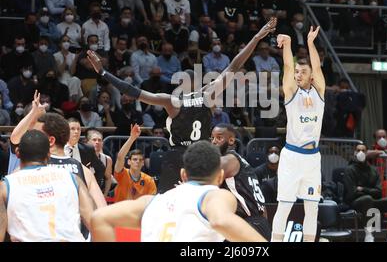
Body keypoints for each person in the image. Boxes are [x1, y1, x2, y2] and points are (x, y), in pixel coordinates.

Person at [86, 17, 277, 190]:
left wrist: (103, 72)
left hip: (178, 156)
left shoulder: (172, 101)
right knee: (207, 200)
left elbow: (133, 92)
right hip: (203, 153)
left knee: (169, 204)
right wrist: (257, 37)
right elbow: (234, 65)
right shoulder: (208, 94)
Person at [91, 141, 267, 242]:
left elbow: (99, 218)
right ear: (220, 177)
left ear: (183, 174)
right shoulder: (215, 196)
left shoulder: (151, 201)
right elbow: (221, 221)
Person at [271, 26, 325, 242]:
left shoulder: (319, 92)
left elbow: (318, 67)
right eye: (297, 72)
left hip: (313, 159)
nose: (298, 74)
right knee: (284, 206)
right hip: (292, 157)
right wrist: (288, 44)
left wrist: (311, 43)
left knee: (312, 208)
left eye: (303, 71)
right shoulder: (292, 94)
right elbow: (286, 65)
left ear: (312, 77)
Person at [0, 130, 95, 242]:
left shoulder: (6, 186)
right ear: (49, 155)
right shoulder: (73, 179)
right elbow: (95, 222)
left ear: (18, 153)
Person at [211, 124, 270, 240]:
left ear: (231, 140)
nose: (214, 141)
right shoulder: (240, 161)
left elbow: (205, 180)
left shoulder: (228, 160)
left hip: (249, 224)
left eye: (219, 138)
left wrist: (188, 186)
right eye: (212, 138)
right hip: (259, 222)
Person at [344, 144, 387, 242]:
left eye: (363, 150)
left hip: (374, 201)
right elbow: (351, 193)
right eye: (358, 150)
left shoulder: (374, 170)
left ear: (367, 153)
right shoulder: (349, 170)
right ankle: (369, 235)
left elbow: (379, 192)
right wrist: (370, 192)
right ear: (354, 153)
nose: (361, 153)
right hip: (356, 203)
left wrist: (362, 189)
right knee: (367, 199)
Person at [113, 124, 157, 202]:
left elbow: (152, 202)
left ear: (143, 163)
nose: (138, 162)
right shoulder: (122, 174)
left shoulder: (149, 180)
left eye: (140, 160)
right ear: (129, 162)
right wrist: (132, 138)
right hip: (121, 212)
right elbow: (120, 157)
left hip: (138, 213)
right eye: (135, 159)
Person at [65, 118, 107, 188]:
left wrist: (92, 186)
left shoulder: (88, 149)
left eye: (78, 129)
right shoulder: (57, 148)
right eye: (72, 129)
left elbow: (100, 168)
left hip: (81, 190)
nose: (76, 131)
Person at [86, 129, 113, 197]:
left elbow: (108, 178)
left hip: (98, 193)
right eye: (94, 140)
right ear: (87, 142)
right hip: (84, 192)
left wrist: (105, 194)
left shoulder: (107, 159)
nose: (97, 142)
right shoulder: (80, 156)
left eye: (99, 140)